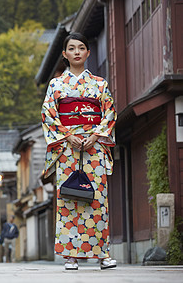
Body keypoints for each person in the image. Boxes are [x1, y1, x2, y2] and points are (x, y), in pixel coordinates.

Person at [41, 32, 117, 271]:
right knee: (69, 198)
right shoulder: (56, 84)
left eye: (81, 48)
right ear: (64, 54)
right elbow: (48, 115)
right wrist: (67, 135)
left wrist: (95, 135)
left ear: (88, 53)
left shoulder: (100, 84)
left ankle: (102, 253)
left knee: (97, 198)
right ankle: (70, 256)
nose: (76, 52)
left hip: (94, 146)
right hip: (66, 147)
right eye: (71, 48)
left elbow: (110, 113)